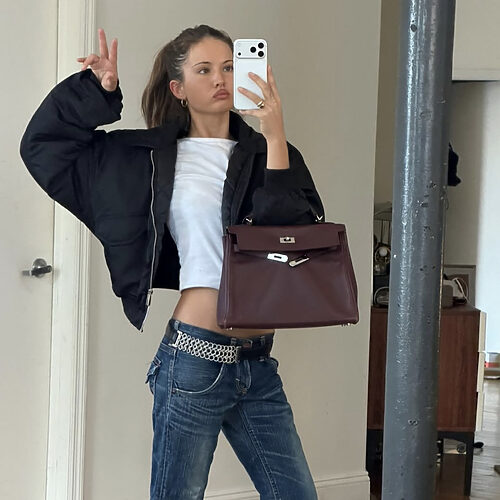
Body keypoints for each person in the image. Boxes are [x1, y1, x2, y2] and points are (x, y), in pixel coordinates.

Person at [20, 24, 324, 500]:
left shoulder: (270, 152)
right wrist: (97, 93)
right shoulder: (146, 157)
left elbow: (293, 236)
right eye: (204, 70)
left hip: (258, 365)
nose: (220, 78)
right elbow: (44, 147)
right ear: (178, 88)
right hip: (195, 360)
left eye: (229, 67)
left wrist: (275, 133)